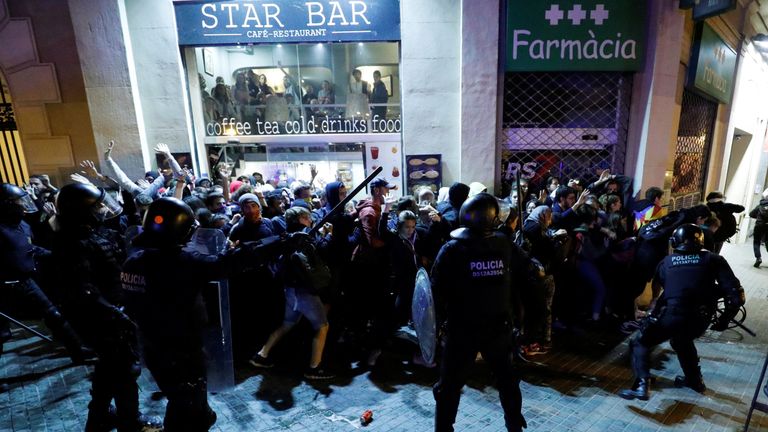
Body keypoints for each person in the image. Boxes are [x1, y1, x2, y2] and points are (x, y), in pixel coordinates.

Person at [121, 197, 277, 431]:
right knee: (188, 410)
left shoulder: (133, 262)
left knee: (186, 405)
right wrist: (278, 243)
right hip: (182, 352)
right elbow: (226, 263)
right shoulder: (180, 262)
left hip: (153, 347)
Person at [50, 183, 161, 431]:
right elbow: (84, 290)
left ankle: (99, 416)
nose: (102, 209)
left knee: (109, 368)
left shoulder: (93, 233)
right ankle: (130, 421)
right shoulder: (72, 243)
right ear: (80, 210)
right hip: (102, 318)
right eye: (97, 205)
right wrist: (117, 315)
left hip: (111, 312)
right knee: (124, 369)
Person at [431, 193, 527, 432]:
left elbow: (434, 291)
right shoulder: (505, 245)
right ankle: (514, 423)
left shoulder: (452, 249)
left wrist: (440, 323)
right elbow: (529, 275)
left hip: (463, 329)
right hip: (498, 328)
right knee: (507, 379)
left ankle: (443, 429)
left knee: (449, 386)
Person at [619, 224, 744, 401]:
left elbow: (667, 293)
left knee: (640, 342)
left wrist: (652, 318)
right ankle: (694, 380)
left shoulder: (666, 263)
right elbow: (737, 296)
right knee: (682, 340)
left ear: (675, 242)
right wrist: (724, 321)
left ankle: (641, 385)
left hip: (673, 315)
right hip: (700, 319)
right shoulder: (714, 259)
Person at [0, 183, 91, 363]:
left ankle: (77, 352)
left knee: (54, 315)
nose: (22, 205)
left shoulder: (21, 225)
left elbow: (28, 248)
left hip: (26, 280)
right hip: (5, 287)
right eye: (18, 201)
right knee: (1, 334)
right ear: (7, 204)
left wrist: (55, 256)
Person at [249, 206, 335, 379]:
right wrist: (329, 236)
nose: (310, 219)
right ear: (301, 219)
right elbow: (319, 252)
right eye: (307, 217)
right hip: (304, 290)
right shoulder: (303, 236)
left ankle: (261, 355)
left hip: (290, 289)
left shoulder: (285, 237)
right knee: (322, 326)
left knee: (288, 323)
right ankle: (314, 368)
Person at [748, 188, 768, 268]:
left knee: (756, 242)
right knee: (767, 241)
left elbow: (751, 214)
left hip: (759, 225)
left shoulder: (760, 205)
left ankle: (758, 258)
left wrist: (758, 216)